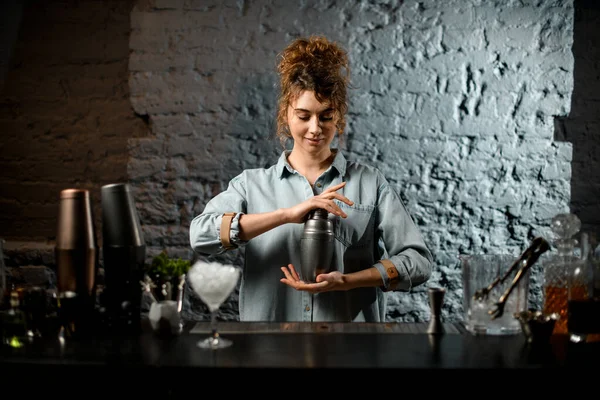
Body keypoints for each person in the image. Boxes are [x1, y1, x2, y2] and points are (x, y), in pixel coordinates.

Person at [189, 35, 433, 322]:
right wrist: (286, 215)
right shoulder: (250, 185)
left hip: (350, 349)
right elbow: (200, 235)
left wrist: (348, 281)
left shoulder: (370, 183)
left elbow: (418, 262)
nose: (315, 128)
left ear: (339, 116)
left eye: (326, 117)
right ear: (286, 115)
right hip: (270, 351)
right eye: (303, 116)